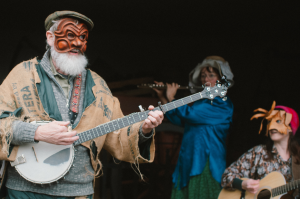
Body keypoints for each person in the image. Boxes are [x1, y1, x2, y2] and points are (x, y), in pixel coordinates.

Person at [0, 11, 164, 199]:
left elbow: (117, 135)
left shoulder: (98, 85)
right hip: (26, 191)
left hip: (79, 192)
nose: (78, 43)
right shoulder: (22, 74)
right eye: (70, 35)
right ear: (50, 37)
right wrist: (37, 133)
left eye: (83, 37)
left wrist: (143, 129)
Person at [153, 56, 234, 199]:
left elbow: (189, 114)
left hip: (205, 162)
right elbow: (180, 119)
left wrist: (172, 99)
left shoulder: (221, 103)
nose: (205, 79)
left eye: (211, 75)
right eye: (203, 76)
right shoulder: (201, 102)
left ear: (222, 79)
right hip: (189, 157)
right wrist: (164, 98)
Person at [221, 101, 300, 197]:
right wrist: (243, 184)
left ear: (291, 128)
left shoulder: (298, 157)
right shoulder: (259, 152)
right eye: (270, 121)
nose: (271, 126)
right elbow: (226, 176)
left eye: (278, 121)